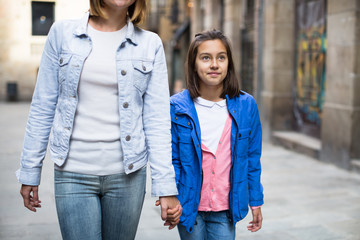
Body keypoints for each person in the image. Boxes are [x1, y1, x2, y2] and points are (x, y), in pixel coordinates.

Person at [16, 0, 182, 239]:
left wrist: (165, 187)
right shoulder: (62, 33)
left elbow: (156, 120)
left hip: (128, 176)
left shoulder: (150, 44)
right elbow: (43, 105)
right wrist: (30, 170)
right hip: (73, 172)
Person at [170, 30, 264, 240]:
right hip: (188, 207)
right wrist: (170, 196)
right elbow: (172, 159)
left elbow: (251, 157)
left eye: (221, 57)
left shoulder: (246, 105)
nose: (214, 64)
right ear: (194, 64)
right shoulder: (176, 107)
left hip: (225, 208)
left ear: (228, 63)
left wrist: (255, 200)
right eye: (206, 58)